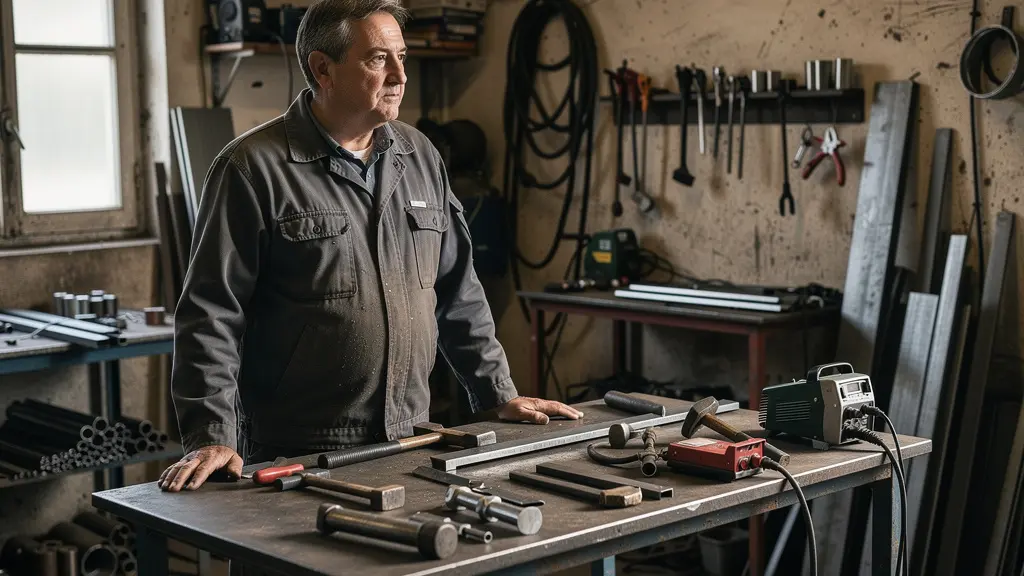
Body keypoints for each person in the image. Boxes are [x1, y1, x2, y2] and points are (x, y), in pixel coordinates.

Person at [158, 0, 582, 493]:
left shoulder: (419, 155)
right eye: (379, 59)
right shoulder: (254, 170)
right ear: (323, 68)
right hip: (295, 451)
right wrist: (212, 434)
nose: (401, 74)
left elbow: (457, 290)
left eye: (402, 56)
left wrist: (496, 393)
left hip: (408, 439)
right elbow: (211, 313)